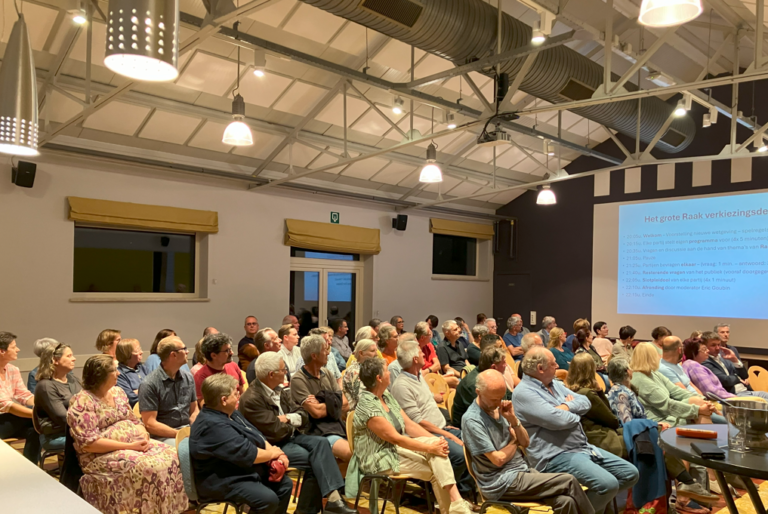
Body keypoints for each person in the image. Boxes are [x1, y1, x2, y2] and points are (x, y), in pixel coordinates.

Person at [512, 347, 638, 514]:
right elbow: (559, 420)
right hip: (555, 456)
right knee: (608, 484)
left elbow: (585, 402)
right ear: (540, 369)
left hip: (581, 447)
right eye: (553, 363)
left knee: (630, 473)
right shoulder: (524, 393)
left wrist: (565, 406)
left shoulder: (554, 384)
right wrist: (573, 412)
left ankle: (578, 509)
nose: (558, 365)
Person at [345, 357, 473, 514]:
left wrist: (436, 441)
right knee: (436, 467)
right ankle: (455, 507)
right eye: (386, 370)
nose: (390, 372)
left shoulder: (386, 395)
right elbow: (396, 438)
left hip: (394, 449)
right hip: (378, 457)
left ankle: (456, 506)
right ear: (379, 378)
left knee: (438, 456)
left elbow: (410, 425)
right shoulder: (367, 406)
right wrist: (430, 447)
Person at [67, 355, 187, 514]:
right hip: (100, 455)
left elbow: (134, 419)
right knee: (148, 466)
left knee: (174, 455)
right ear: (100, 374)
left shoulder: (117, 392)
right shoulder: (82, 402)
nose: (118, 373)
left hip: (135, 444)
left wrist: (143, 434)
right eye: (114, 370)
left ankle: (169, 509)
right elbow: (90, 443)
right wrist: (130, 446)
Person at [239, 353, 356, 514]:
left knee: (321, 444)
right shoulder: (251, 398)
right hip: (273, 445)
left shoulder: (280, 390)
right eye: (282, 369)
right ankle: (312, 508)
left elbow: (303, 415)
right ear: (271, 374)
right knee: (316, 461)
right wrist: (292, 421)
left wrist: (286, 418)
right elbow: (274, 431)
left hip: (291, 437)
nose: (286, 371)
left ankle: (333, 500)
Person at [463, 370, 593, 514]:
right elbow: (498, 459)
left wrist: (513, 420)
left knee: (565, 502)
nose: (499, 403)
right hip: (501, 483)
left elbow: (525, 442)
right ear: (478, 392)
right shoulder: (472, 420)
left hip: (522, 472)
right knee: (568, 480)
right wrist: (514, 441)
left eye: (501, 397)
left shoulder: (501, 410)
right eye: (494, 399)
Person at [606, 358, 720, 507]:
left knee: (681, 433)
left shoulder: (629, 389)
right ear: (629, 372)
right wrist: (654, 424)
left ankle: (689, 488)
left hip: (645, 429)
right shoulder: (620, 393)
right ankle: (685, 490)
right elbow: (629, 424)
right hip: (636, 436)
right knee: (675, 440)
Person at [190, 374, 293, 514]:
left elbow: (257, 436)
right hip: (221, 480)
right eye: (235, 393)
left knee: (284, 485)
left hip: (240, 470)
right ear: (224, 400)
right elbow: (249, 453)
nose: (239, 395)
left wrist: (277, 455)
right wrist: (273, 454)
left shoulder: (231, 413)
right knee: (267, 500)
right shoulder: (212, 425)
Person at [390, 338, 472, 494]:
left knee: (474, 443)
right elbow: (419, 423)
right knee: (460, 455)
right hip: (424, 435)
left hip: (440, 428)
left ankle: (465, 491)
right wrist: (448, 435)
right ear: (415, 359)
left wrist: (446, 428)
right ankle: (442, 492)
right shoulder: (402, 385)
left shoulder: (418, 376)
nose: (423, 354)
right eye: (421, 352)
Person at [291, 334, 351, 462]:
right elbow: (316, 413)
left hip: (338, 426)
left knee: (368, 448)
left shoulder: (327, 373)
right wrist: (333, 402)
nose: (328, 354)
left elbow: (346, 404)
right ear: (314, 355)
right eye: (324, 350)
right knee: (351, 453)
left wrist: (321, 402)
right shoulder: (298, 379)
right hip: (317, 431)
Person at [630, 343, 716, 426]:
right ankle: (711, 438)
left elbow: (676, 391)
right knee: (699, 406)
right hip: (661, 420)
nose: (659, 357)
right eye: (657, 354)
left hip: (670, 414)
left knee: (697, 401)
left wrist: (703, 400)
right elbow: (667, 405)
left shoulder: (653, 373)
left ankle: (709, 438)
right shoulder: (640, 380)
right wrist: (698, 410)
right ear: (651, 357)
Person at [138, 337, 198, 445]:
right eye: (184, 349)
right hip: (164, 436)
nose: (187, 351)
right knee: (190, 447)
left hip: (187, 430)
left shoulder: (188, 377)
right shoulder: (149, 384)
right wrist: (180, 433)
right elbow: (150, 424)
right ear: (173, 355)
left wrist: (194, 428)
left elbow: (194, 410)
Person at [565, 354, 625, 458]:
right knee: (646, 437)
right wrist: (600, 392)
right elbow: (613, 421)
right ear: (591, 371)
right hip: (602, 439)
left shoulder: (569, 391)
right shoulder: (587, 394)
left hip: (589, 438)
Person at [33, 343, 81, 456]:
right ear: (55, 360)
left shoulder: (73, 379)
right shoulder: (45, 386)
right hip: (57, 436)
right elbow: (63, 418)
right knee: (100, 441)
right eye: (69, 356)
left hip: (78, 430)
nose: (74, 359)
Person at [682, 338, 768, 401]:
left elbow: (744, 375)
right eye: (704, 349)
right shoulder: (695, 366)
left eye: (719, 345)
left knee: (765, 395)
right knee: (764, 401)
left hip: (738, 392)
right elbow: (711, 391)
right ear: (693, 352)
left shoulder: (723, 358)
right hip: (727, 398)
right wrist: (734, 396)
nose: (707, 351)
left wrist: (734, 360)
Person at [0, 331, 39, 462]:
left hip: (8, 420)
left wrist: (44, 405)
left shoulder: (12, 369)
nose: (18, 349)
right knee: (38, 420)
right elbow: (6, 405)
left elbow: (24, 395)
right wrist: (37, 414)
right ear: (2, 351)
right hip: (3, 419)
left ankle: (31, 467)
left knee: (36, 428)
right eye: (13, 347)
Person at [452, 344, 511, 427]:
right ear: (494, 367)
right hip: (470, 427)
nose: (506, 365)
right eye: (504, 362)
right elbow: (485, 413)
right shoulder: (475, 384)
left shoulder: (494, 377)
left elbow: (509, 396)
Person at [194, 333, 245, 404]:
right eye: (227, 351)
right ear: (213, 355)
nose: (232, 353)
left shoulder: (233, 366)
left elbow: (242, 393)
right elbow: (205, 406)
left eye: (230, 349)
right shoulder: (201, 376)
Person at [343, 339, 379, 410]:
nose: (376, 354)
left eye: (376, 350)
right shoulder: (355, 371)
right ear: (361, 353)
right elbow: (362, 399)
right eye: (372, 351)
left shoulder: (369, 368)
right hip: (358, 412)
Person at [115, 338, 148, 408]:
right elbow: (131, 398)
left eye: (140, 349)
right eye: (137, 350)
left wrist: (139, 391)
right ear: (127, 354)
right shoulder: (119, 374)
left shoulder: (142, 368)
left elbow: (157, 388)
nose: (141, 352)